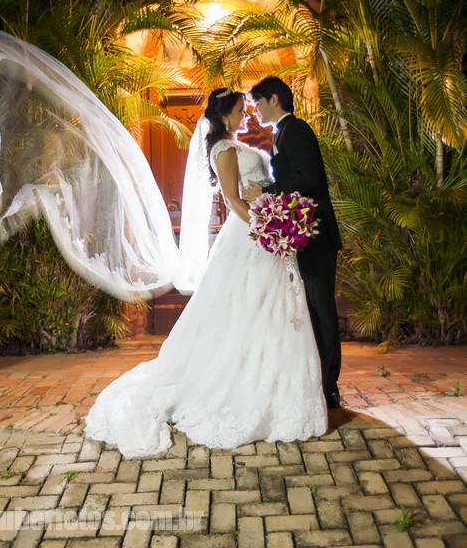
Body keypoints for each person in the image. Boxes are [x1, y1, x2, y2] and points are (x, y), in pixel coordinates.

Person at [84, 87, 327, 457]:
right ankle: (244, 388)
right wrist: (267, 229)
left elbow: (260, 188)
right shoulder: (224, 150)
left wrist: (274, 222)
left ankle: (272, 387)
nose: (247, 115)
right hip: (251, 234)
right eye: (241, 111)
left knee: (269, 313)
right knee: (247, 311)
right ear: (225, 115)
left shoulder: (234, 144)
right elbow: (233, 201)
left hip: (265, 231)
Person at [243, 76, 342, 409]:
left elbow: (307, 177)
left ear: (273, 99)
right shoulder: (282, 133)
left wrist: (267, 191)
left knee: (321, 308)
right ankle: (321, 380)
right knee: (314, 308)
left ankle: (329, 386)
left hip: (315, 235)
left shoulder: (295, 130)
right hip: (304, 234)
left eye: (257, 102)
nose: (255, 110)